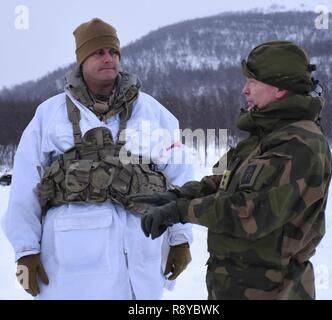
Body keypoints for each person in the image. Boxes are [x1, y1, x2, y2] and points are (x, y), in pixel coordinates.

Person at [2, 18, 193, 299]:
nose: (109, 58)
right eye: (99, 52)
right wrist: (26, 250)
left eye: (114, 52)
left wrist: (180, 238)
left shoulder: (153, 112)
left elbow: (180, 176)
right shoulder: (50, 115)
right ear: (81, 60)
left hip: (141, 262)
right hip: (70, 266)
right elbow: (25, 185)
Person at [129, 40, 332, 300]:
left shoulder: (300, 144)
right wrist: (178, 195)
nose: (245, 90)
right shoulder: (267, 134)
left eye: (253, 82)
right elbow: (226, 181)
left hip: (275, 291)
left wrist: (180, 211)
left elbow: (249, 212)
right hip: (236, 287)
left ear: (280, 89)